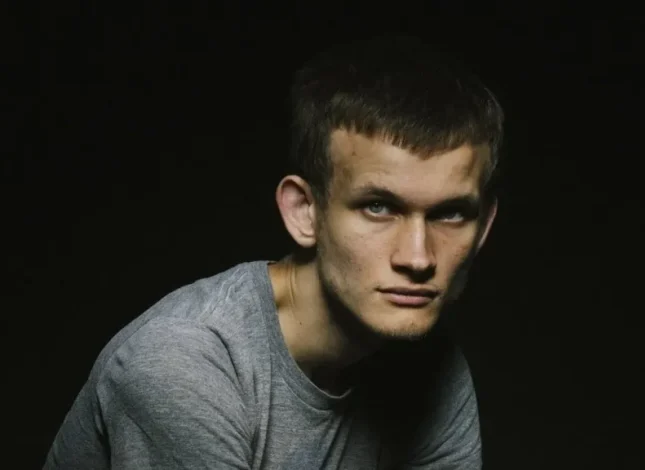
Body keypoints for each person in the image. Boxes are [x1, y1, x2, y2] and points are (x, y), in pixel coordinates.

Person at [44, 34, 503, 469]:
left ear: (483, 227)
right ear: (304, 212)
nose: (418, 258)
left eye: (450, 214)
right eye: (378, 207)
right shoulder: (182, 362)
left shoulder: (430, 369)